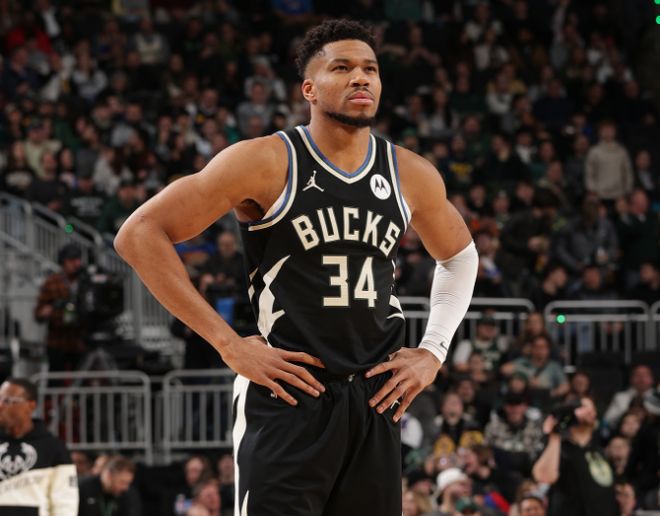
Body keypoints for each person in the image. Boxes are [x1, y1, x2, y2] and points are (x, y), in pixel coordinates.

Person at [115, 19, 478, 515]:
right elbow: (139, 234)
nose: (361, 78)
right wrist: (228, 343)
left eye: (370, 69)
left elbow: (459, 256)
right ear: (309, 88)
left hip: (376, 397)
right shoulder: (265, 161)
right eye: (342, 68)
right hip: (288, 392)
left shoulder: (410, 172)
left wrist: (433, 351)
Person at [0, 377, 79, 514]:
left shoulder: (54, 447)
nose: (1, 406)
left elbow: (65, 500)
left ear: (30, 405)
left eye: (7, 401)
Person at [532, 396, 618, 516]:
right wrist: (555, 434)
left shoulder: (599, 450)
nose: (591, 411)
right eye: (584, 407)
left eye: (592, 408)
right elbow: (544, 476)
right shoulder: (558, 447)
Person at [34, 243, 86, 372]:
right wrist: (49, 311)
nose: (76, 264)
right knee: (55, 377)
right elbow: (38, 313)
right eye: (72, 260)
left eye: (78, 259)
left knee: (81, 378)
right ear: (63, 261)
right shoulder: (53, 281)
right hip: (57, 340)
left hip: (80, 340)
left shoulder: (84, 280)